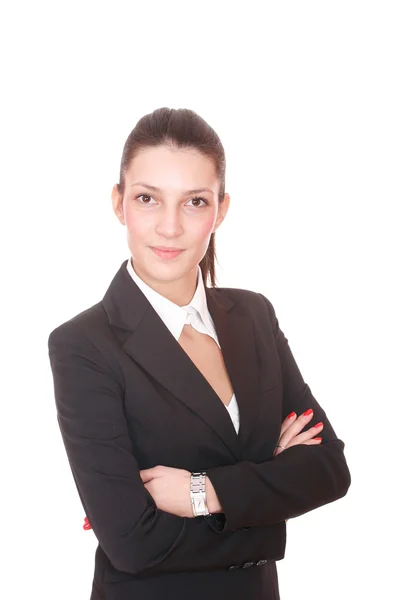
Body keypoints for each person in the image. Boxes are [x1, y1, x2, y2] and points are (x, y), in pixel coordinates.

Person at [48, 107, 351, 600]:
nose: (170, 227)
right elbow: (131, 543)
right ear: (118, 202)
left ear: (221, 210)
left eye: (194, 202)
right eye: (148, 198)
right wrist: (269, 511)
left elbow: (329, 469)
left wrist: (202, 493)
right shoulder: (83, 344)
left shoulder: (254, 316)